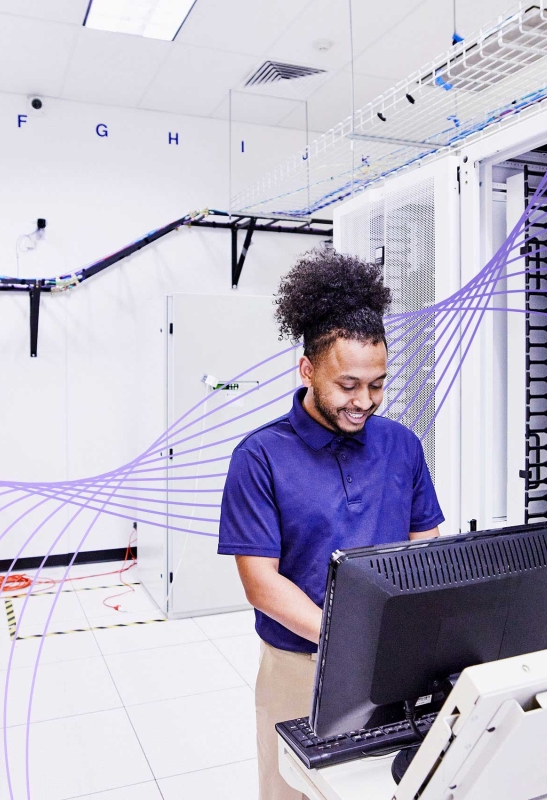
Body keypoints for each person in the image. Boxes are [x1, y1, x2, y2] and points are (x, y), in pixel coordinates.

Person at [217, 249, 444, 800]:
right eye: (347, 386)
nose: (364, 401)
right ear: (307, 370)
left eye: (377, 384)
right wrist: (345, 640)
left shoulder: (402, 445)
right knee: (293, 790)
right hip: (301, 663)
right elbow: (260, 582)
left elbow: (425, 542)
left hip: (392, 664)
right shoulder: (261, 456)